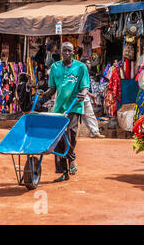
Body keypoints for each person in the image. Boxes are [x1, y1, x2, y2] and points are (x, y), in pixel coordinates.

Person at [39, 42, 90, 183]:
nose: (67, 53)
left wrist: (83, 94)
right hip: (59, 108)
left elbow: (85, 86)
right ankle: (63, 171)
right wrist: (44, 94)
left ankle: (71, 157)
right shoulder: (55, 67)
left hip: (74, 106)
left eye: (69, 51)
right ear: (61, 52)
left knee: (71, 135)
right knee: (59, 139)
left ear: (73, 52)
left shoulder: (81, 67)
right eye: (64, 51)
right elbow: (52, 89)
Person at [80, 58, 105, 138]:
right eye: (87, 63)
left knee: (89, 115)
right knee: (76, 116)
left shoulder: (87, 74)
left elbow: (85, 88)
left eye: (89, 63)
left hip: (85, 98)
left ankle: (95, 132)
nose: (89, 65)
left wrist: (91, 96)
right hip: (78, 97)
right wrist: (91, 96)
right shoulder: (79, 72)